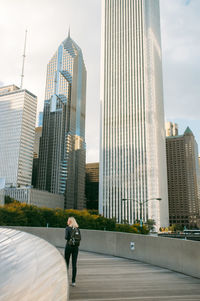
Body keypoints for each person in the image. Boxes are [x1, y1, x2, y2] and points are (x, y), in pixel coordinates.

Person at [64, 217, 81, 287]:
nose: (67, 222)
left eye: (68, 220)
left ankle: (66, 280)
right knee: (74, 264)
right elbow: (80, 238)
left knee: (66, 263)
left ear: (70, 221)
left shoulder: (67, 228)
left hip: (68, 246)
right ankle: (73, 281)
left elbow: (66, 237)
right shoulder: (77, 229)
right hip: (76, 248)